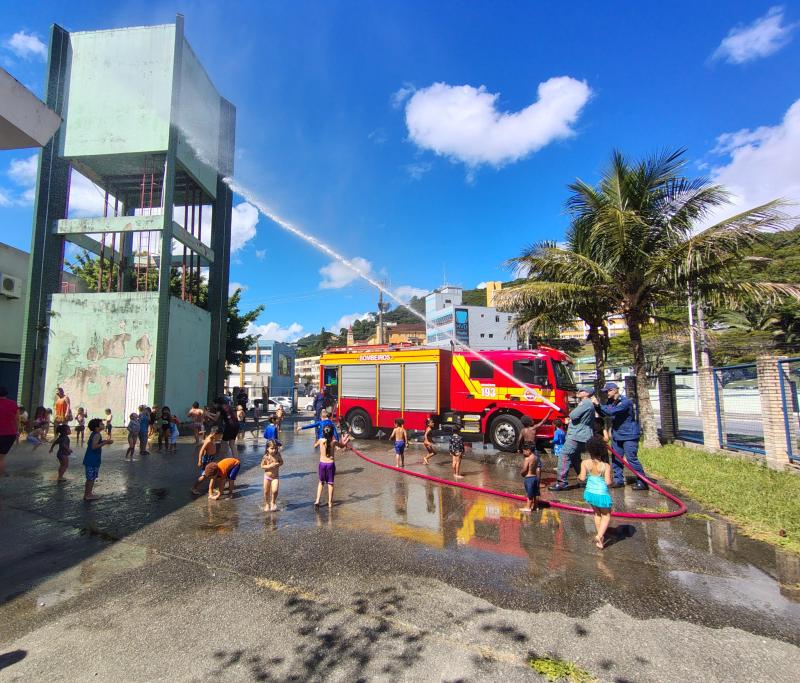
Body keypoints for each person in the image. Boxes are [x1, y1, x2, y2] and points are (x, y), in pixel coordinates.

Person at [593, 383, 648, 491]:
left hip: (629, 435)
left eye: (608, 391)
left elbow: (610, 411)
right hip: (617, 435)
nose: (606, 394)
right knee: (616, 458)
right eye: (605, 392)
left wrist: (598, 404)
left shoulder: (625, 402)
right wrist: (597, 406)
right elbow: (604, 413)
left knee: (631, 458)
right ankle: (618, 480)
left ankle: (642, 481)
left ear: (615, 390)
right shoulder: (611, 402)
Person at [549, 387, 597, 492]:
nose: (579, 392)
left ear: (587, 393)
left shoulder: (585, 403)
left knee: (564, 455)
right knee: (575, 458)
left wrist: (569, 412)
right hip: (582, 435)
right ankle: (584, 479)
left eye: (581, 391)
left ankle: (562, 482)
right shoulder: (589, 403)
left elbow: (573, 415)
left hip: (577, 435)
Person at [578, 436, 614, 549]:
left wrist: (578, 476)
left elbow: (582, 478)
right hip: (601, 494)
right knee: (606, 515)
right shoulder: (605, 466)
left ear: (589, 450)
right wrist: (612, 481)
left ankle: (600, 541)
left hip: (590, 493)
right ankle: (599, 536)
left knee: (597, 514)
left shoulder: (584, 463)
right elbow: (608, 482)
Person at [314, 424, 350, 508]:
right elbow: (342, 446)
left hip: (322, 464)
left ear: (323, 433)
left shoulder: (320, 440)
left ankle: (317, 500)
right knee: (330, 483)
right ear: (332, 433)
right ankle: (330, 503)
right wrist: (346, 441)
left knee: (321, 482)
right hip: (330, 464)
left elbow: (315, 445)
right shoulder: (333, 442)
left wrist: (318, 441)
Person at [83, 418, 112, 501]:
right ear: (96, 427)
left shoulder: (95, 434)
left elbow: (92, 443)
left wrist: (104, 441)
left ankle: (88, 493)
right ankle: (87, 495)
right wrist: (105, 442)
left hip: (91, 458)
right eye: (101, 424)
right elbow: (94, 446)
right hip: (92, 459)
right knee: (91, 478)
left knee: (91, 478)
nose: (103, 425)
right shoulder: (97, 435)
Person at [0, 386, 19, 477]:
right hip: (9, 434)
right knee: (1, 458)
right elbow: (17, 419)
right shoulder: (13, 404)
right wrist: (17, 431)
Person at [261, 438, 284, 512]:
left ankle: (273, 502)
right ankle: (267, 504)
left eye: (275, 448)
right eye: (272, 448)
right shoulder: (266, 456)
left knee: (275, 490)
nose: (274, 450)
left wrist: (278, 464)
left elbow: (281, 462)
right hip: (267, 477)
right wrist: (269, 466)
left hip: (275, 477)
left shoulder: (278, 455)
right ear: (267, 448)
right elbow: (262, 466)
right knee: (266, 491)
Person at [519, 443, 542, 513]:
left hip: (529, 479)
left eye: (524, 451)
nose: (523, 453)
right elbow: (537, 468)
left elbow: (525, 469)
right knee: (535, 493)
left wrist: (521, 473)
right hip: (535, 477)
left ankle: (528, 507)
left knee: (529, 494)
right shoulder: (536, 457)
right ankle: (535, 506)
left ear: (528, 450)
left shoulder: (527, 459)